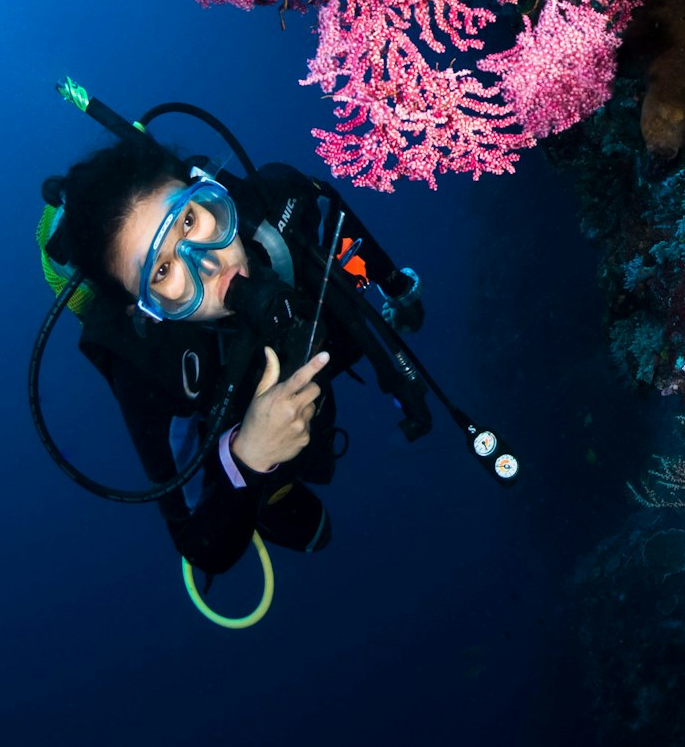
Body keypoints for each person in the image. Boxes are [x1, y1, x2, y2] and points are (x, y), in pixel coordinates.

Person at [47, 133, 426, 578]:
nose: (208, 265)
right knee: (304, 527)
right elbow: (199, 546)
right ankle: (271, 494)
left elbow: (343, 225)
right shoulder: (150, 370)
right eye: (164, 270)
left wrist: (396, 288)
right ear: (142, 307)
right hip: (248, 438)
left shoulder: (281, 201)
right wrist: (250, 456)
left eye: (189, 222)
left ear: (208, 190)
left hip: (325, 343)